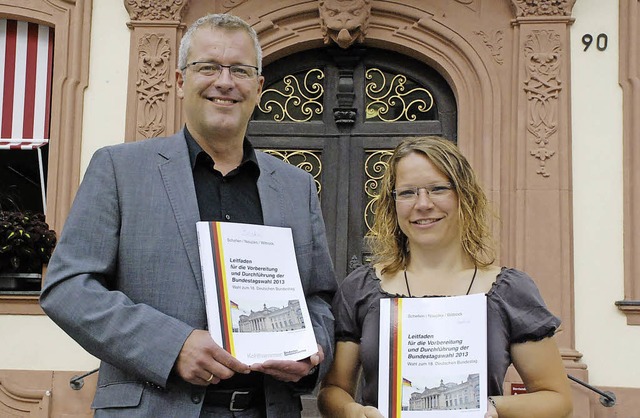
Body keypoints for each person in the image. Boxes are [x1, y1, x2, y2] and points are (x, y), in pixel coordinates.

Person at [40, 13, 337, 418]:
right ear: (180, 81)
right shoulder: (119, 169)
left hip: (267, 409)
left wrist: (311, 351)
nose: (225, 82)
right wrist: (171, 345)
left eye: (241, 70)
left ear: (259, 87)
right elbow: (67, 287)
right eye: (208, 67)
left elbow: (319, 297)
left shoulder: (296, 186)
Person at [317, 136, 573, 418]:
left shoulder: (509, 290)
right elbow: (333, 390)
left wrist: (492, 408)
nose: (423, 204)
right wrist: (352, 412)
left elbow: (556, 399)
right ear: (393, 204)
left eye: (438, 189)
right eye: (407, 193)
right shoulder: (361, 288)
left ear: (464, 195)